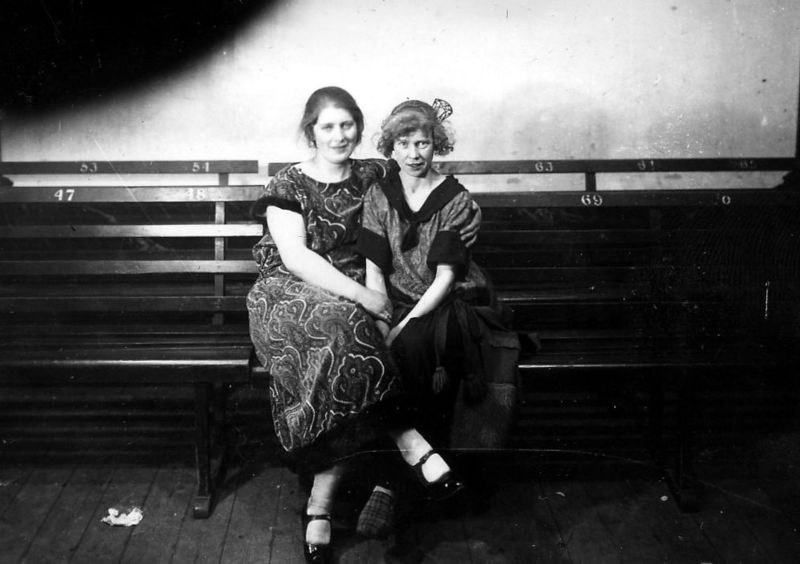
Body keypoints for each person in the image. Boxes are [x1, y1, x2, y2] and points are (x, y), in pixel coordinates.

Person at [246, 87, 477, 564]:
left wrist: (466, 217)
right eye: (328, 127)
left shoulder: (374, 173)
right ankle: (410, 442)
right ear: (311, 132)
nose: (339, 135)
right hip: (290, 291)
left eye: (347, 125)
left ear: (359, 127)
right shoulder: (288, 183)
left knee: (365, 338)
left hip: (360, 286)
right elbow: (296, 258)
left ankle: (321, 504)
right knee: (344, 326)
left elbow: (425, 193)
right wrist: (365, 297)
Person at [354, 99, 511, 538]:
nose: (413, 153)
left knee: (413, 348)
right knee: (365, 351)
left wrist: (403, 327)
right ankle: (419, 469)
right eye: (404, 143)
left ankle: (388, 485)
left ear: (436, 144)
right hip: (396, 301)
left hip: (448, 301)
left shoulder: (454, 198)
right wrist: (384, 318)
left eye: (422, 143)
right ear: (390, 147)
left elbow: (445, 278)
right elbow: (374, 271)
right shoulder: (379, 195)